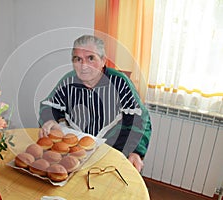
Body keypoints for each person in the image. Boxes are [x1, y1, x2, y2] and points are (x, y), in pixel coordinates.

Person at [38, 35, 151, 172]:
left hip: (112, 151)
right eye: (78, 59)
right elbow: (49, 105)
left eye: (90, 58)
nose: (84, 66)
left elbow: (141, 119)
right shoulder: (68, 81)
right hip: (77, 152)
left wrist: (135, 151)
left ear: (103, 61)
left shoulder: (120, 83)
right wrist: (49, 120)